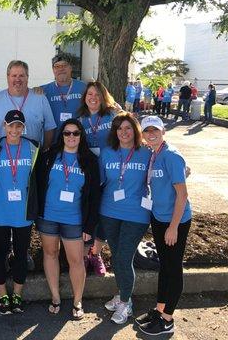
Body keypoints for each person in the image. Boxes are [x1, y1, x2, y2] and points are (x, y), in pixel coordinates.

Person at [35, 119, 100, 320]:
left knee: (76, 260)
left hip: (74, 219)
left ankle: (77, 300)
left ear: (81, 136)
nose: (71, 137)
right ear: (61, 135)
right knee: (50, 253)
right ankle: (55, 297)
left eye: (76, 133)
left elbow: (95, 196)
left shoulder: (89, 160)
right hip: (48, 216)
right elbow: (37, 185)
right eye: (67, 133)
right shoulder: (48, 157)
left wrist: (89, 225)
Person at [136, 116, 192, 335]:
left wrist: (173, 227)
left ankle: (167, 319)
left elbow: (182, 195)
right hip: (159, 218)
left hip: (174, 221)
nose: (151, 134)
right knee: (164, 268)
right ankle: (159, 310)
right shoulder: (153, 154)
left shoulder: (171, 156)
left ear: (163, 132)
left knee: (173, 268)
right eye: (147, 131)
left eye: (155, 130)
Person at [98, 112, 151, 324]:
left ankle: (127, 302)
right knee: (117, 255)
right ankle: (121, 294)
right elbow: (100, 183)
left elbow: (165, 169)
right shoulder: (106, 153)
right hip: (109, 211)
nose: (123, 132)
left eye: (128, 128)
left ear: (135, 131)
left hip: (136, 214)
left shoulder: (146, 153)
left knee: (123, 257)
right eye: (119, 128)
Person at [0, 110, 40, 315]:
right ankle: (2, 295)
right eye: (11, 125)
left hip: (23, 212)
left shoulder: (33, 147)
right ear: (4, 126)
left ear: (23, 128)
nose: (15, 130)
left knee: (20, 254)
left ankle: (17, 294)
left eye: (19, 126)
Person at [77, 81, 120, 276]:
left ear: (103, 97)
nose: (93, 98)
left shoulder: (112, 116)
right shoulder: (79, 119)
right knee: (88, 213)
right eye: (89, 94)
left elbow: (131, 133)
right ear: (85, 97)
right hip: (88, 174)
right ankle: (85, 255)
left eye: (97, 94)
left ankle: (97, 254)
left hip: (110, 172)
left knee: (104, 215)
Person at [0, 60, 56, 150]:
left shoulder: (40, 98)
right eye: (14, 76)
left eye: (21, 76)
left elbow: (49, 128)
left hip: (33, 158)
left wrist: (43, 152)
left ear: (27, 77)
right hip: (2, 159)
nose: (18, 79)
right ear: (8, 77)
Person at [40, 54, 86, 128]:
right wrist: (35, 90)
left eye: (64, 65)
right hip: (53, 137)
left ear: (71, 68)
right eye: (57, 66)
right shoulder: (43, 90)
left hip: (76, 137)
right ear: (53, 70)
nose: (61, 69)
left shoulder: (84, 87)